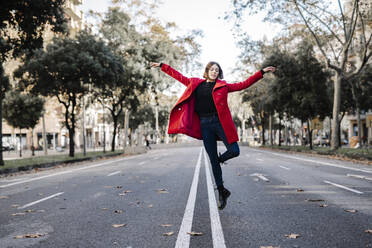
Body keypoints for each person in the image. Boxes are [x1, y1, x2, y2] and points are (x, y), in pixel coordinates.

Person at [150, 61, 275, 210]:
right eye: (212, 69)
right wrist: (163, 66)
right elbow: (178, 76)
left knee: (235, 151)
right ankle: (222, 191)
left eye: (217, 70)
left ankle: (219, 159)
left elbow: (244, 84)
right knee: (213, 162)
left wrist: (261, 72)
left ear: (219, 73)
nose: (214, 72)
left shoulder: (223, 86)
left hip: (220, 123)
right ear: (207, 71)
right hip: (204, 125)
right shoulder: (195, 83)